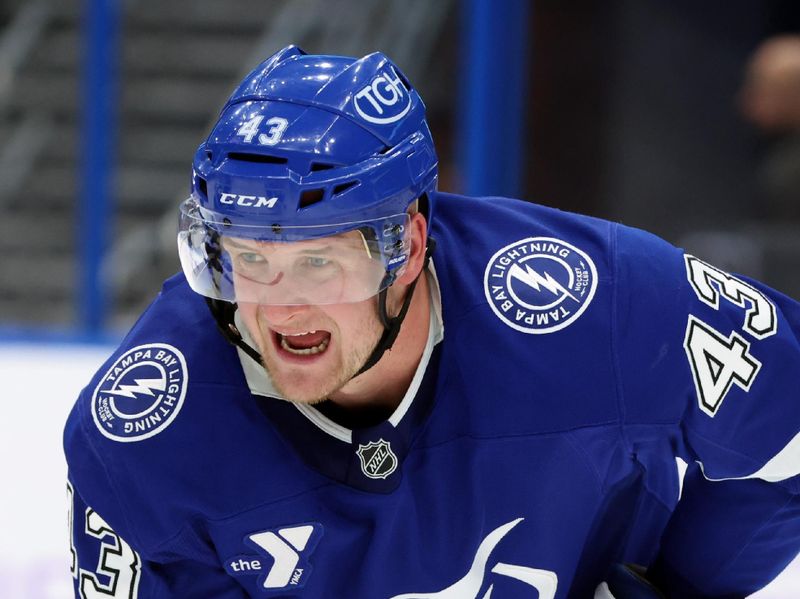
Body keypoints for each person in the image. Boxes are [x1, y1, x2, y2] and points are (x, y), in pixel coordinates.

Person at [64, 45, 800, 599]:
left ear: (409, 245)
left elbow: (787, 415)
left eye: (320, 263)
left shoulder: (600, 303)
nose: (277, 307)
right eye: (245, 261)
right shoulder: (141, 430)